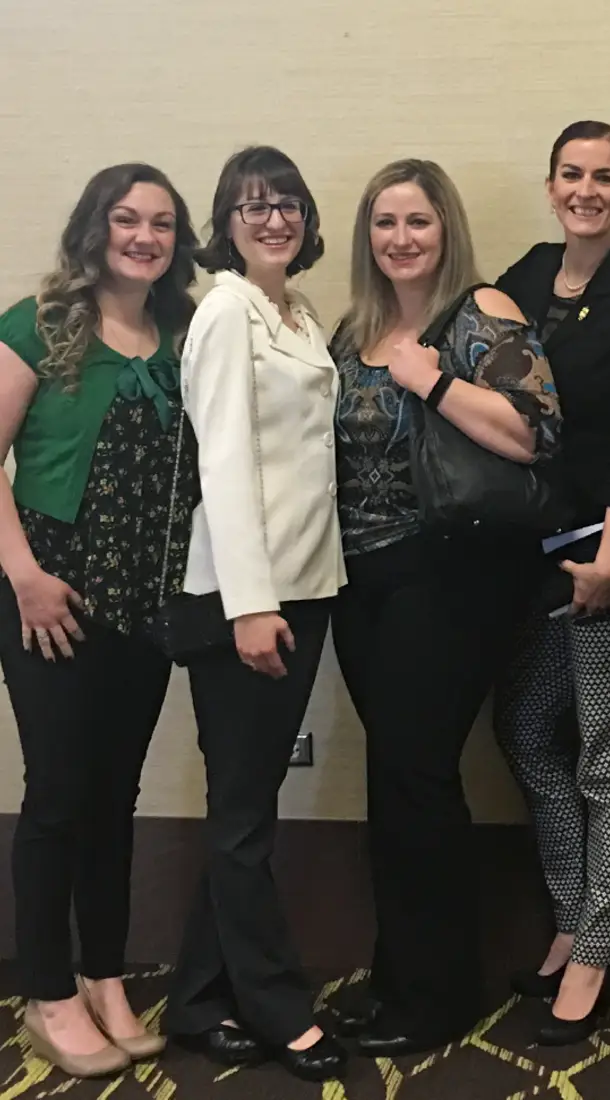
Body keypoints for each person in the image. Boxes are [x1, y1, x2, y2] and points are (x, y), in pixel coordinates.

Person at [324, 158, 561, 1057]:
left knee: (418, 771)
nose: (401, 238)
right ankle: (398, 980)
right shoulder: (356, 329)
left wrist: (428, 380)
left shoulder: (484, 313)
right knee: (393, 775)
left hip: (452, 572)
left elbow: (535, 433)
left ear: (445, 228)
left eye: (417, 221)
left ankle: (437, 996)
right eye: (384, 223)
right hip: (361, 579)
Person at [0, 163, 197, 1077]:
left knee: (115, 795)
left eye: (161, 222)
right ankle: (47, 992)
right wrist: (26, 577)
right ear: (95, 227)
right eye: (126, 219)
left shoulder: (183, 334)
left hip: (142, 600)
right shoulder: (38, 325)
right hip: (49, 597)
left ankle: (104, 976)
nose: (144, 236)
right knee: (58, 794)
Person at [492, 120, 610, 1044]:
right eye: (572, 173)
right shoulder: (524, 276)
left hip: (606, 558)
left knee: (607, 755)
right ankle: (574, 914)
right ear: (552, 182)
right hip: (525, 559)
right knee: (526, 730)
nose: (588, 190)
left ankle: (599, 951)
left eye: (607, 177)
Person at [162, 146, 347, 1083]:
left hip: (307, 585)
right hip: (251, 598)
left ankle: (195, 1001)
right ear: (225, 223)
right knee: (242, 816)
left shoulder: (299, 315)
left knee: (247, 805)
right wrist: (252, 606)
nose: (273, 219)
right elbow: (223, 463)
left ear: (309, 220)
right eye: (251, 205)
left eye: (287, 205)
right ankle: (275, 1006)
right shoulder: (226, 311)